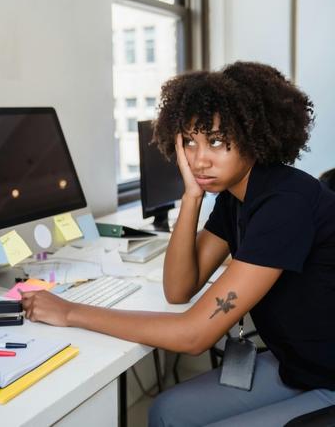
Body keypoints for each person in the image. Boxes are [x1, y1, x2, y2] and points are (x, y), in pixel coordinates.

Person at [21, 61, 335, 426]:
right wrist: (191, 197)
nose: (200, 159)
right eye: (189, 142)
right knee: (166, 412)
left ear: (254, 134)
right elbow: (178, 287)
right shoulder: (237, 197)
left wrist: (70, 312)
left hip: (328, 376)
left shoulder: (285, 202)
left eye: (216, 141)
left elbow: (194, 335)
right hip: (298, 364)